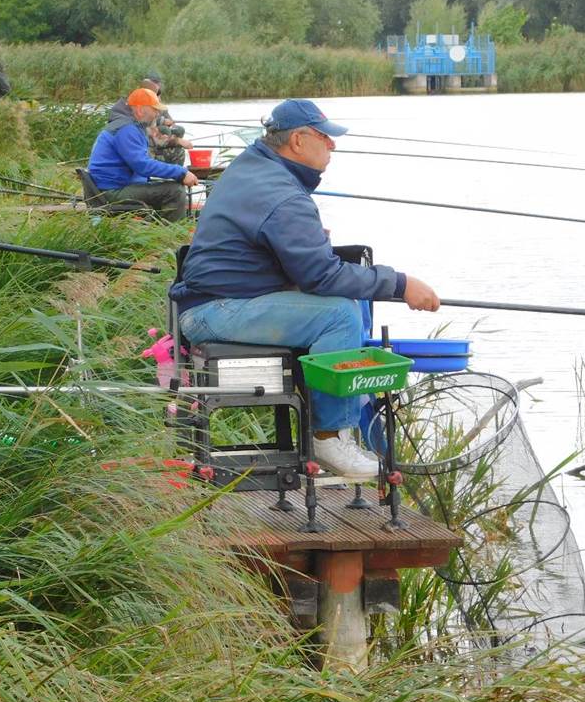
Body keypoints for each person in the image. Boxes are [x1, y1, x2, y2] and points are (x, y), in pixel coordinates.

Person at [169, 98, 440, 479]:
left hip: (216, 300)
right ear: (298, 140)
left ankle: (344, 415)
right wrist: (401, 284)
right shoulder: (281, 194)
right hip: (218, 310)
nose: (332, 146)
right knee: (340, 313)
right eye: (326, 138)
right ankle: (328, 437)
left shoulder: (253, 166)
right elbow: (322, 277)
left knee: (346, 304)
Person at [87, 87, 199, 222]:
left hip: (116, 185)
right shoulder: (126, 129)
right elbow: (142, 165)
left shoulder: (131, 125)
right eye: (155, 109)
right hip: (111, 192)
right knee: (175, 191)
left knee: (167, 186)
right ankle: (171, 234)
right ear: (140, 110)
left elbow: (141, 164)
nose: (158, 114)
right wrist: (181, 173)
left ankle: (158, 228)